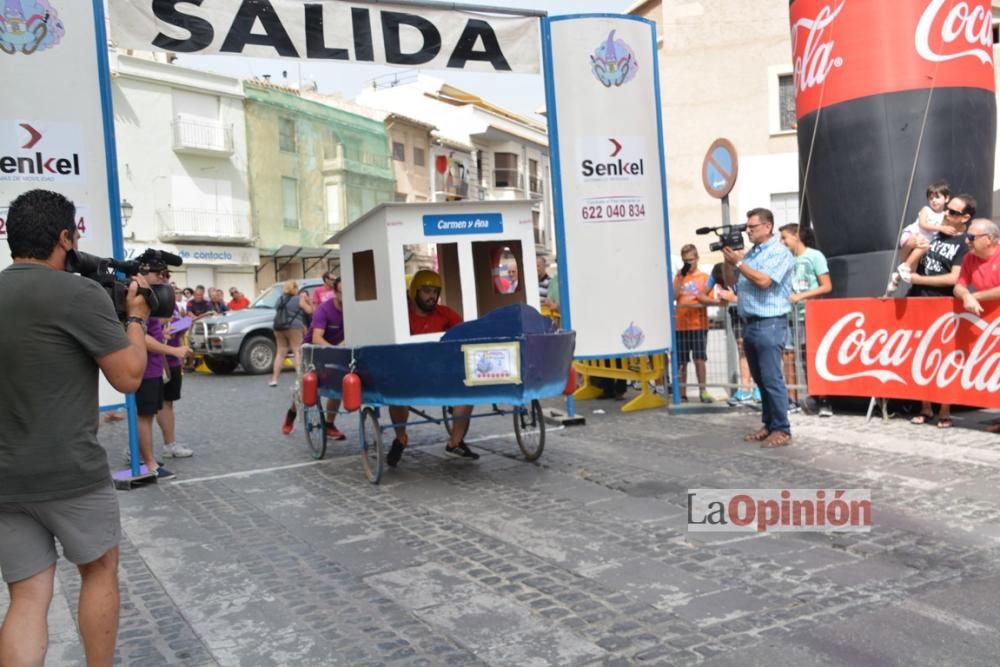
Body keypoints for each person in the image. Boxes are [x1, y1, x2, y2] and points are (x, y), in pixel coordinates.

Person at [0, 189, 150, 666]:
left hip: (5, 477)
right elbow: (127, 376)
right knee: (100, 570)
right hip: (71, 473)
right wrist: (136, 319)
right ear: (65, 238)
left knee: (26, 596)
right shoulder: (77, 293)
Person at [386, 270, 478, 465]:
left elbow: (465, 331)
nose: (432, 296)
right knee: (395, 394)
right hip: (409, 372)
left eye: (435, 292)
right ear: (415, 292)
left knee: (467, 389)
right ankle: (401, 438)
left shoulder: (445, 313)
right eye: (426, 291)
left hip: (440, 372)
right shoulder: (402, 315)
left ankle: (455, 442)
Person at [722, 208, 795, 448]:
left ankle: (782, 429)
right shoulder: (751, 254)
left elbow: (764, 281)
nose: (748, 231)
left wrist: (740, 262)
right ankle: (769, 424)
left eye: (752, 227)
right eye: (747, 227)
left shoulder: (779, 252)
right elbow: (733, 282)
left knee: (772, 378)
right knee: (761, 380)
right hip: (751, 323)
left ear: (767, 227)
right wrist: (729, 262)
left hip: (770, 322)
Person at [901, 194, 974, 429]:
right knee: (920, 355)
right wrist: (910, 251)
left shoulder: (965, 243)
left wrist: (920, 278)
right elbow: (907, 264)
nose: (946, 214)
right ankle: (925, 407)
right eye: (946, 210)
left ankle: (945, 409)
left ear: (965, 217)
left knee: (943, 358)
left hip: (943, 305)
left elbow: (954, 278)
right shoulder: (934, 233)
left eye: (953, 212)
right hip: (917, 300)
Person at [134, 267, 193, 480]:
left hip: (155, 365)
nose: (162, 278)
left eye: (166, 275)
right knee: (144, 415)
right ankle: (147, 461)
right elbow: (140, 334)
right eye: (158, 273)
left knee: (150, 412)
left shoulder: (152, 296)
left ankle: (147, 457)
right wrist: (173, 350)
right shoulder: (140, 296)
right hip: (147, 365)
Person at [282, 277, 347, 440]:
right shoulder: (324, 310)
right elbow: (317, 338)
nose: (345, 296)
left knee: (338, 386)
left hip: (334, 350)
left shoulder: (353, 309)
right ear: (335, 292)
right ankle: (291, 414)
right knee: (303, 388)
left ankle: (330, 424)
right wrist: (335, 350)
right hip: (311, 351)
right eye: (342, 292)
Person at [778, 224, 833, 416]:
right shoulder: (786, 259)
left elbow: (826, 286)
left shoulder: (815, 256)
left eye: (784, 238)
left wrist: (801, 297)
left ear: (796, 236)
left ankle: (822, 399)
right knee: (788, 356)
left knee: (810, 357)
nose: (782, 242)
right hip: (789, 316)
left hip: (809, 315)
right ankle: (791, 400)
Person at [954, 218, 1000, 433]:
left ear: (989, 239)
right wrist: (966, 295)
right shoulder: (969, 258)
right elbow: (958, 286)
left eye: (972, 237)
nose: (967, 240)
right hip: (990, 324)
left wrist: (975, 296)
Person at [709, 262, 757, 404]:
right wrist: (720, 299)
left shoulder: (745, 267)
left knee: (755, 350)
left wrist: (733, 298)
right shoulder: (718, 269)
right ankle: (745, 388)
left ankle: (758, 388)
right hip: (735, 314)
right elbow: (706, 292)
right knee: (742, 350)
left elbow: (753, 297)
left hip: (750, 313)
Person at [673, 244, 714, 402]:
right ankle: (682, 393)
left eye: (690, 260)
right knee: (681, 361)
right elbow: (674, 296)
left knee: (699, 359)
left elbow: (708, 299)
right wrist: (681, 278)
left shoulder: (704, 277)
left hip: (698, 324)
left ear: (696, 258)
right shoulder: (679, 276)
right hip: (681, 324)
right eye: (685, 261)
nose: (688, 264)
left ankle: (703, 391)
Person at [897, 181, 950, 265]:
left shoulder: (945, 215)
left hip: (924, 242)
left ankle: (904, 270)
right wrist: (941, 228)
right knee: (917, 245)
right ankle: (903, 264)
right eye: (931, 198)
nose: (934, 200)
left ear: (946, 198)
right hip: (912, 234)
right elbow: (923, 224)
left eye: (937, 197)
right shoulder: (926, 210)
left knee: (916, 259)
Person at [270, 279, 307, 387]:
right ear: (295, 288)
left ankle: (274, 379)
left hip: (279, 327)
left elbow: (277, 309)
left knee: (280, 353)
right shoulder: (298, 299)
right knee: (297, 351)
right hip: (295, 326)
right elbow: (306, 310)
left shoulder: (280, 299)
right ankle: (300, 379)